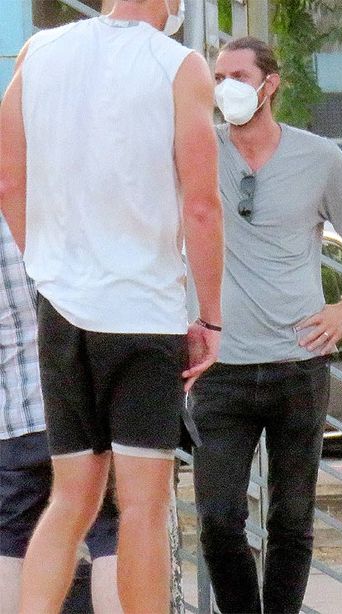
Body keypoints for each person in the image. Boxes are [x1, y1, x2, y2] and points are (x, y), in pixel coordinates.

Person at [0, 0, 224, 609]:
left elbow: (8, 178)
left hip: (61, 306)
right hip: (142, 309)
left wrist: (45, 264)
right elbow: (201, 203)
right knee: (143, 509)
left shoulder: (39, 51)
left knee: (71, 497)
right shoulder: (180, 66)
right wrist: (209, 316)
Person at [187, 37, 342, 614]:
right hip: (219, 368)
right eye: (217, 75)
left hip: (297, 364)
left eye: (237, 74)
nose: (225, 85)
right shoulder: (198, 149)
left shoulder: (319, 156)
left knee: (291, 519)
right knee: (220, 519)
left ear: (269, 83)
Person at [0, 215, 121, 614]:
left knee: (10, 541)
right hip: (88, 408)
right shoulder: (63, 198)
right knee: (114, 534)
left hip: (12, 416)